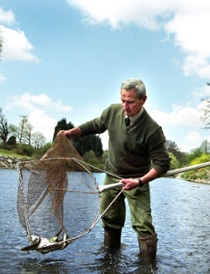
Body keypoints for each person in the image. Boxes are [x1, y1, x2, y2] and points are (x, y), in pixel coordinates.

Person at [58, 78, 170, 261]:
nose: (125, 106)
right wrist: (72, 132)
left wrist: (140, 181)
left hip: (137, 179)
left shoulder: (152, 129)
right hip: (112, 175)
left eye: (131, 102)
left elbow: (163, 164)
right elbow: (95, 125)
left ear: (143, 99)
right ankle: (110, 258)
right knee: (110, 218)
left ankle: (148, 269)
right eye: (123, 100)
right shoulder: (112, 111)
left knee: (143, 224)